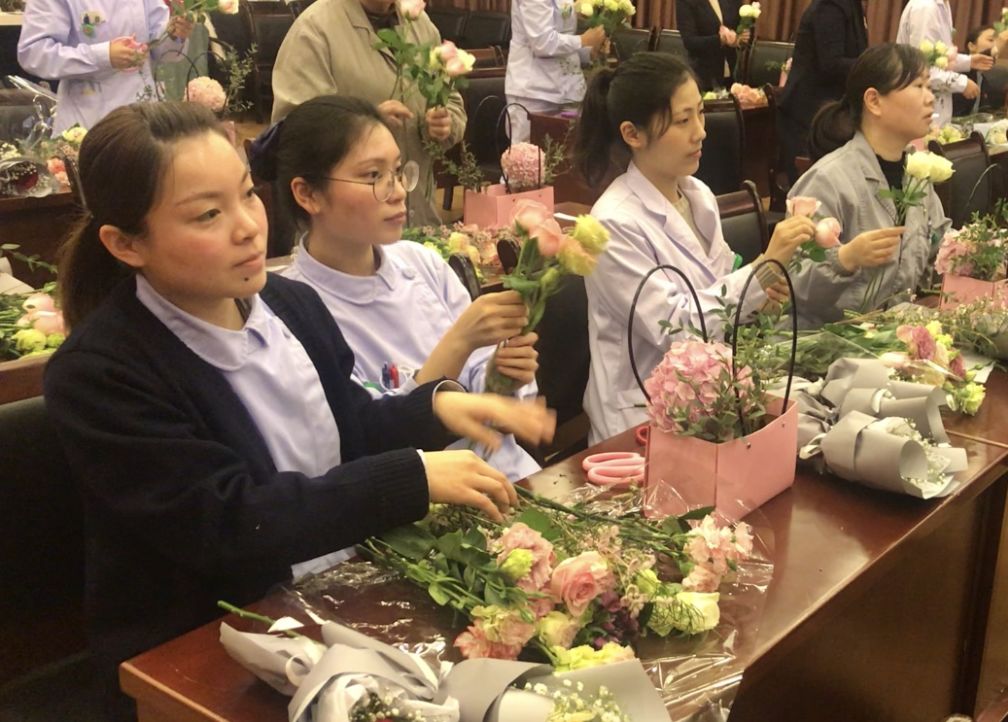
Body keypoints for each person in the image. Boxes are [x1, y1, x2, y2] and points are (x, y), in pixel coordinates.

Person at [43, 101, 554, 720]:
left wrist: (438, 407)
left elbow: (348, 428)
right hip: (208, 645)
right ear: (126, 244)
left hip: (336, 595)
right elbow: (229, 522)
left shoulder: (290, 306)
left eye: (246, 196)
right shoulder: (101, 373)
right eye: (207, 214)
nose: (247, 228)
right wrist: (411, 478)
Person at [251, 94, 541, 481]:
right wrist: (460, 341)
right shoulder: (291, 312)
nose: (399, 191)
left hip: (505, 473)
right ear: (308, 194)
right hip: (421, 499)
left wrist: (502, 375)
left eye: (398, 172)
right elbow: (370, 440)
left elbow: (489, 397)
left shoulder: (421, 263)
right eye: (374, 176)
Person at [572, 52, 816, 443]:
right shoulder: (613, 224)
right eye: (683, 121)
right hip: (639, 418)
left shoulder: (696, 193)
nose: (700, 132)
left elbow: (720, 285)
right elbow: (678, 327)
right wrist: (764, 269)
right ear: (633, 134)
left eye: (700, 114)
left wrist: (762, 299)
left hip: (710, 397)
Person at [792, 43, 948, 328]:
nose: (930, 98)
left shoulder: (916, 174)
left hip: (895, 333)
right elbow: (792, 283)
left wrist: (971, 252)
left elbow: (938, 246)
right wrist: (845, 258)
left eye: (929, 86)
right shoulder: (828, 180)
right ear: (874, 101)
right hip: (831, 340)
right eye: (918, 86)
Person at [270, 0, 465, 228]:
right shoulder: (315, 29)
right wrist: (365, 126)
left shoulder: (419, 24)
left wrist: (444, 123)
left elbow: (451, 100)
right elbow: (294, 133)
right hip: (347, 228)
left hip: (418, 214)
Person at [17, 0, 194, 133]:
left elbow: (161, 51)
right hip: (88, 120)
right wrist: (102, 56)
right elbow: (34, 53)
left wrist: (176, 35)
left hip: (144, 116)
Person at [776, 0, 868, 183]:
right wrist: (872, 65)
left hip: (826, 112)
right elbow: (831, 64)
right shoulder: (830, 7)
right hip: (808, 115)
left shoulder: (851, 5)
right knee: (812, 187)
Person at [505, 0, 607, 142]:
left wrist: (590, 51)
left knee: (572, 150)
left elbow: (564, 39)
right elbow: (542, 43)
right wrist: (582, 40)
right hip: (535, 93)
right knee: (530, 153)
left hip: (569, 91)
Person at [896, 0, 995, 125]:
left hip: (936, 109)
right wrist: (962, 83)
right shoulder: (926, 8)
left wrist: (968, 61)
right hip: (920, 107)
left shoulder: (941, 6)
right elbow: (921, 67)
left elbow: (939, 57)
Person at [675, 0, 748, 92]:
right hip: (704, 74)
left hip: (732, 72)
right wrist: (720, 40)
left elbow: (738, 28)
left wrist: (741, 37)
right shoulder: (686, 2)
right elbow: (690, 42)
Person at [952, 24, 1002, 117]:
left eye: (998, 42)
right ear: (971, 46)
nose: (996, 48)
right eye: (991, 40)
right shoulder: (954, 72)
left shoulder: (985, 80)